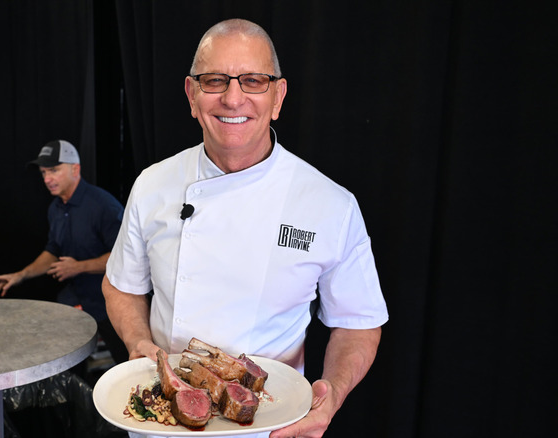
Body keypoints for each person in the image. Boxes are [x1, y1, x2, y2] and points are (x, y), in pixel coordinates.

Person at [102, 19, 388, 438]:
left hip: (271, 427)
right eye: (215, 80)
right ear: (192, 95)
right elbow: (121, 287)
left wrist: (334, 393)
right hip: (163, 426)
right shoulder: (153, 185)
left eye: (254, 81)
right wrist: (137, 342)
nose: (233, 98)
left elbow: (358, 322)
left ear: (278, 97)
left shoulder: (331, 205)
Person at [0, 139, 128, 365]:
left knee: (127, 365)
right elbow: (53, 250)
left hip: (109, 303)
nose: (47, 179)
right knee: (65, 362)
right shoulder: (56, 207)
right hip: (75, 300)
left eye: (53, 170)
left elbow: (124, 257)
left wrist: (78, 267)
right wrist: (20, 275)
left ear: (75, 168)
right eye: (43, 173)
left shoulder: (103, 206)